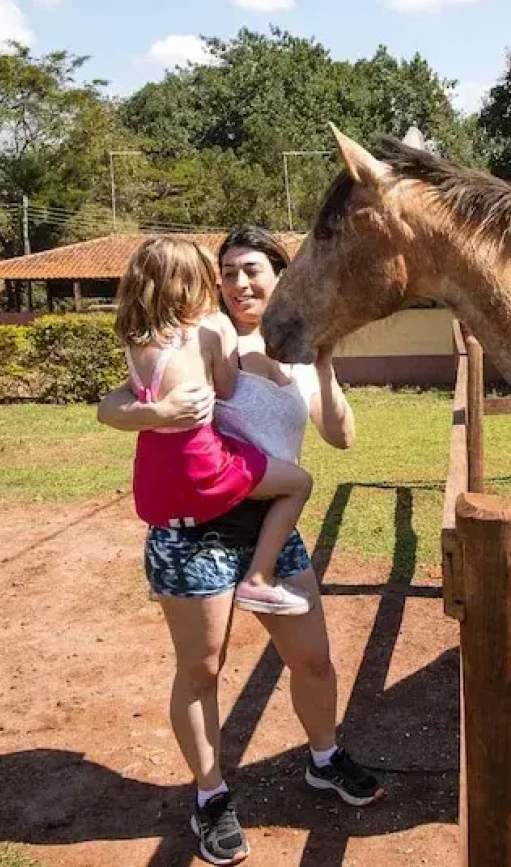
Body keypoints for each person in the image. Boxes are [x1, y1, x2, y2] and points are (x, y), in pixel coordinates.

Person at [98, 224, 381, 866]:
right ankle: (211, 794)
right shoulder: (196, 333)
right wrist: (151, 416)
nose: (239, 282)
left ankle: (324, 758)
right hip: (195, 533)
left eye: (252, 269)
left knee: (313, 659)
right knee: (202, 670)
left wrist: (326, 360)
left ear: (279, 276)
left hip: (270, 524)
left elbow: (342, 437)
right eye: (227, 271)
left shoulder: (297, 351)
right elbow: (115, 402)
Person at [115, 235, 314, 617]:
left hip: (156, 465)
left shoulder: (137, 341)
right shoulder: (211, 327)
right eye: (220, 275)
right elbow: (227, 386)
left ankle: (173, 581)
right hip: (203, 460)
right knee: (299, 483)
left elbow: (126, 398)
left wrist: (158, 411)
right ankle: (259, 578)